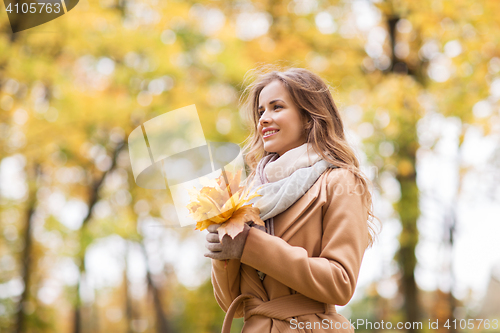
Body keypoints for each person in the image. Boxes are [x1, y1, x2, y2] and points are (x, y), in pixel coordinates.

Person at [204, 67, 379, 333]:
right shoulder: (248, 194)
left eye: (277, 107)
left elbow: (340, 283)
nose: (263, 119)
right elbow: (233, 304)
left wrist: (249, 245)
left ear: (308, 117)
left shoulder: (339, 181)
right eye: (261, 111)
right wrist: (223, 252)